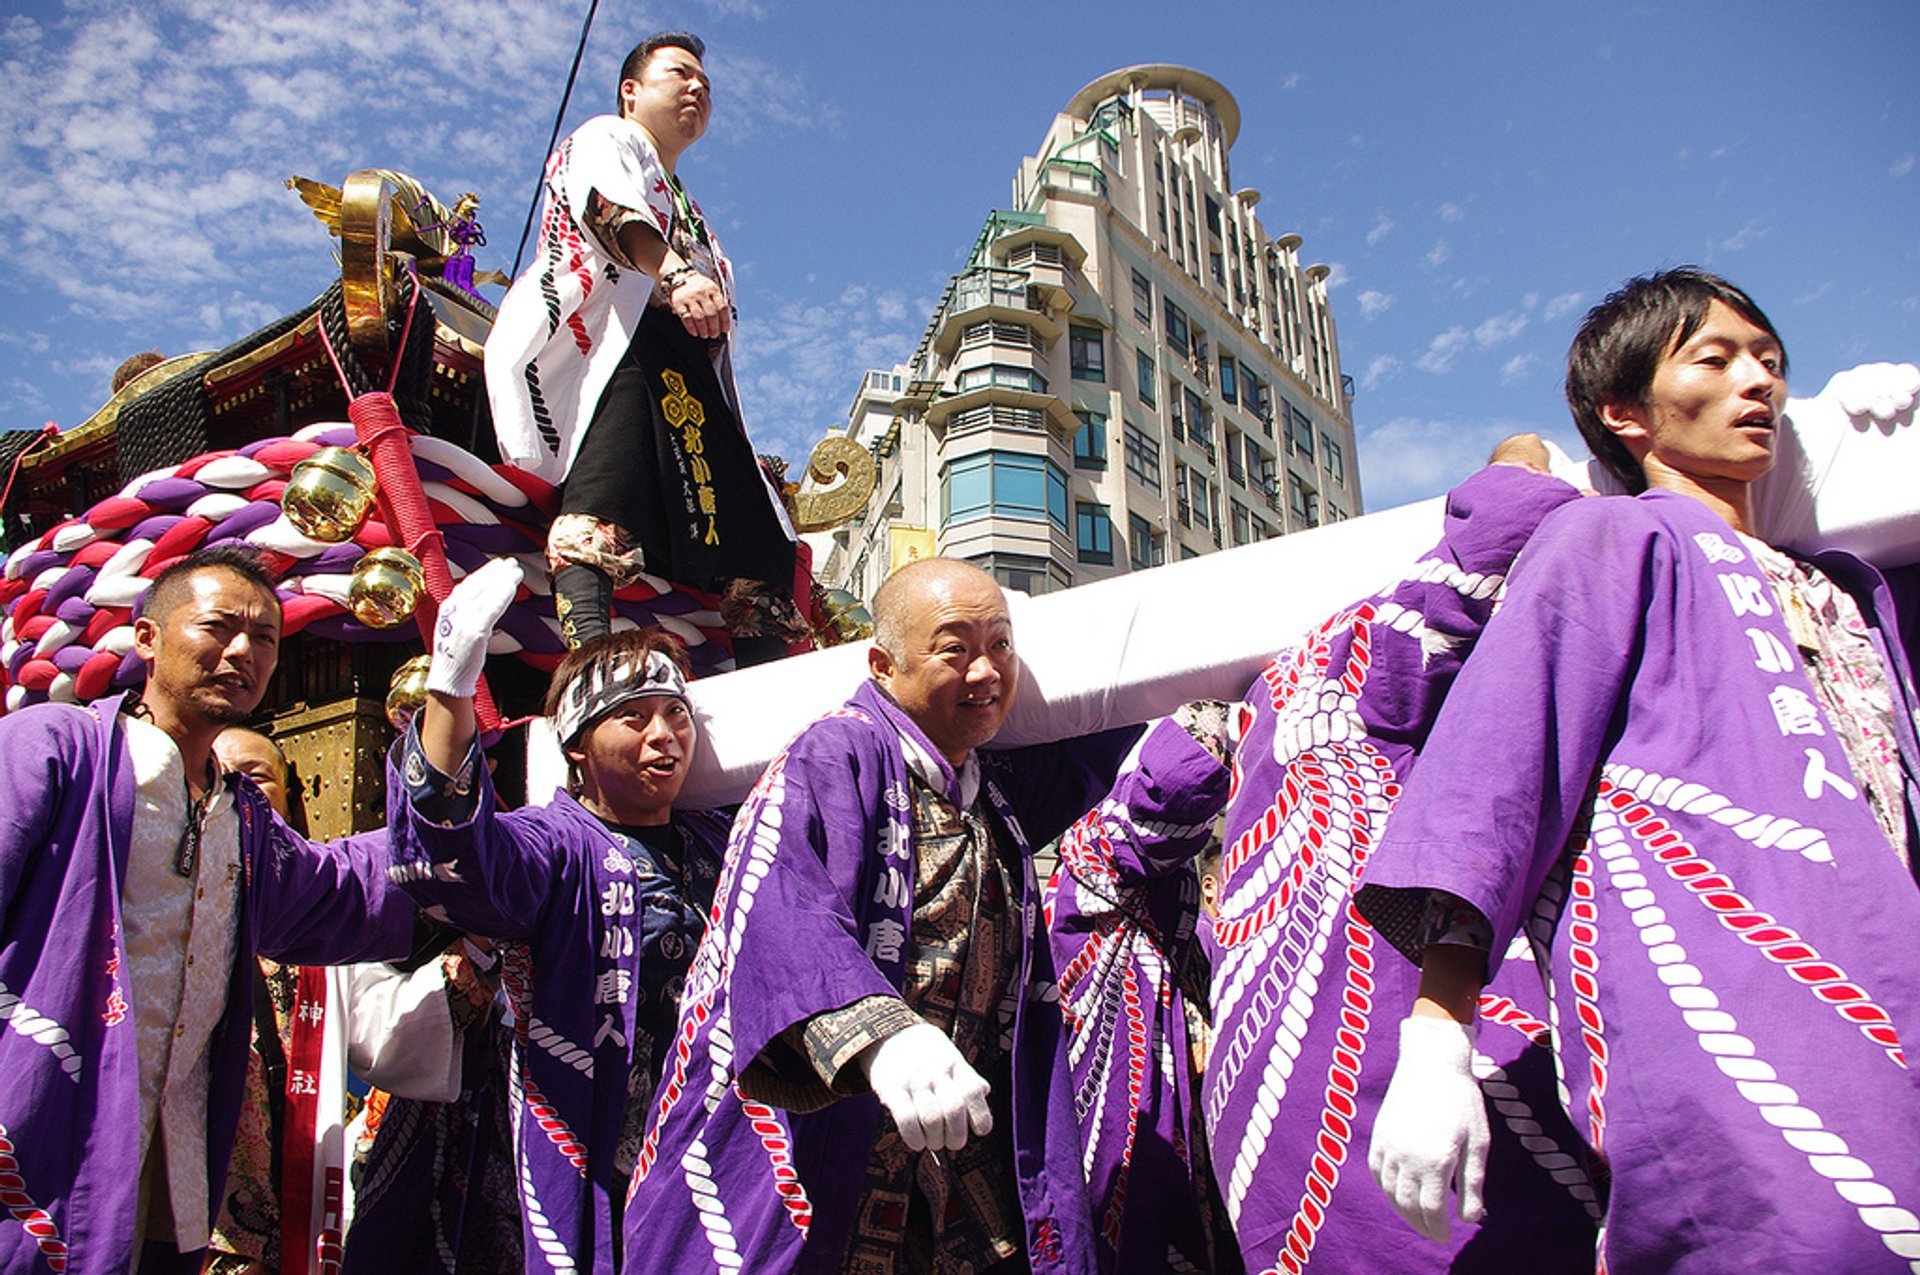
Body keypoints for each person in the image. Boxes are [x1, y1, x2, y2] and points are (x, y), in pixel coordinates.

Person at [1357, 269, 1920, 1272]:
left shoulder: (1848, 588)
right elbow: (1497, 773)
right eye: (1716, 359)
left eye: (1773, 362)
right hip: (1734, 996)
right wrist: (1438, 1035)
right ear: (1625, 414)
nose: (1759, 382)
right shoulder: (1607, 537)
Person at [621, 557, 1144, 1273]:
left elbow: (1094, 742)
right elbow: (782, 905)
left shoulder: (988, 786)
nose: (986, 671)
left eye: (1000, 645)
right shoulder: (836, 752)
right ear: (882, 662)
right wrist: (883, 1037)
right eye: (955, 648)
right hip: (844, 1128)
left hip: (958, 1155)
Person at [1203, 455, 1599, 1275]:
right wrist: (1534, 464)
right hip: (1406, 1067)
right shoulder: (1354, 664)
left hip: (1316, 1110)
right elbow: (1507, 512)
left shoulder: (1275, 724)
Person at [0, 545, 416, 1275]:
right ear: (148, 638)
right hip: (36, 1119)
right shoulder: (59, 751)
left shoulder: (244, 818)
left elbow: (347, 887)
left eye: (264, 638)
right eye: (218, 626)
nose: (242, 651)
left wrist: (465, 825)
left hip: (167, 1158)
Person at [380, 557, 732, 1274]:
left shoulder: (723, 840)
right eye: (634, 718)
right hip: (587, 1142)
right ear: (578, 744)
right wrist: (450, 687)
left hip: (712, 1144)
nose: (665, 734)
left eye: (676, 715)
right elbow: (461, 858)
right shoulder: (554, 843)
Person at [484, 30, 803, 662]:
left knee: (759, 535)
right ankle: (589, 666)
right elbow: (608, 208)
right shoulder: (608, 137)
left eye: (705, 85)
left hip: (686, 374)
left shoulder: (691, 207)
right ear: (631, 92)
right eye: (680, 75)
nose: (696, 89)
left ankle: (764, 682)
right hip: (620, 346)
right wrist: (678, 275)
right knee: (605, 495)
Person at [205, 728, 468, 1275]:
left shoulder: (323, 913)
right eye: (214, 777)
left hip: (294, 1200)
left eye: (252, 778)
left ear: (288, 799)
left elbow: (385, 1032)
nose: (232, 792)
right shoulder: (155, 904)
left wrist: (475, 957)